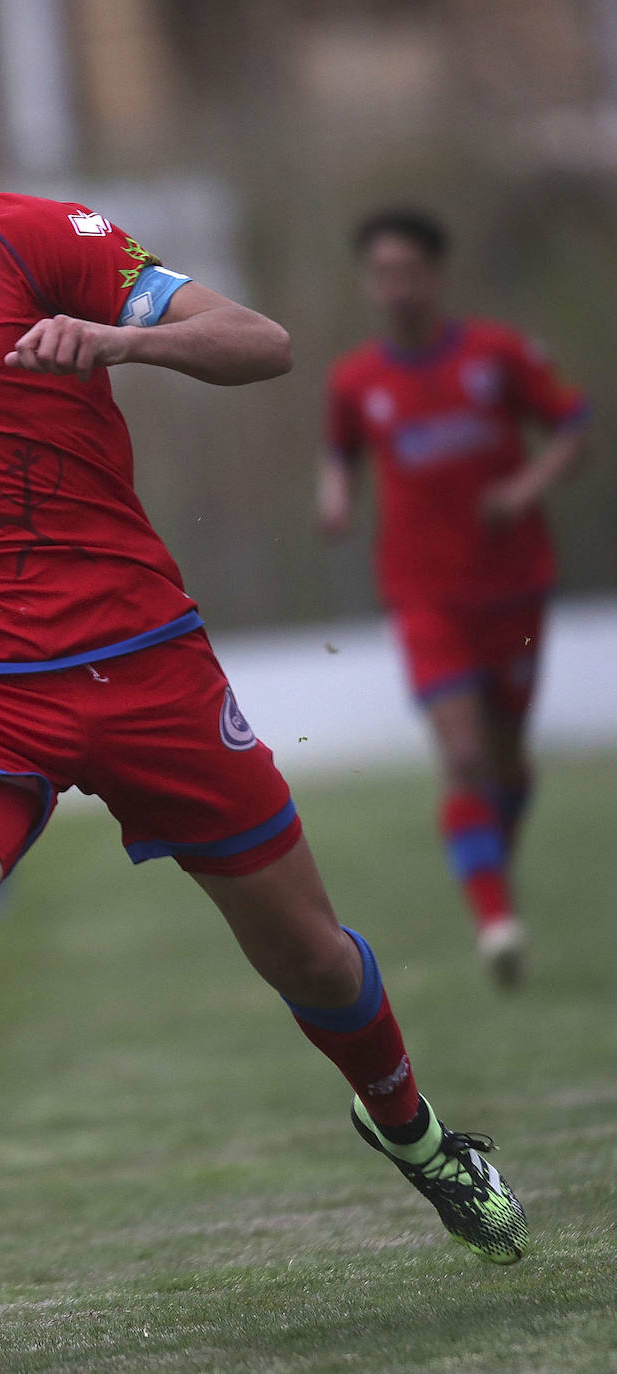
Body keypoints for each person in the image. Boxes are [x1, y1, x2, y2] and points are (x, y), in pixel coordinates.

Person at [0, 28, 533, 1355]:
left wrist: (114, 341)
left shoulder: (34, 240)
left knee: (306, 952)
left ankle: (420, 1137)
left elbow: (253, 341)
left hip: (135, 656)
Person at [318, 209, 588, 985]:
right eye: (381, 274)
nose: (395, 287)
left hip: (515, 590)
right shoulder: (355, 380)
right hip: (423, 597)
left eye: (408, 271)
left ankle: (489, 861)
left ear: (436, 275)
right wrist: (335, 498)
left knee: (507, 764)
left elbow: (573, 426)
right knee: (464, 755)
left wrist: (524, 487)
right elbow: (339, 454)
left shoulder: (498, 355)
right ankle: (496, 921)